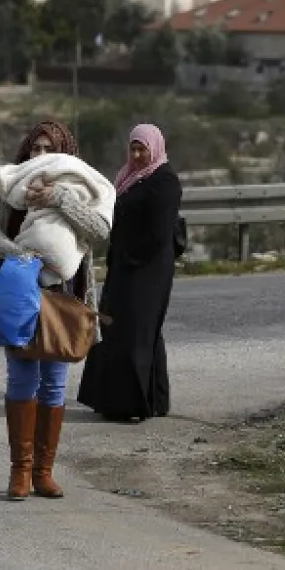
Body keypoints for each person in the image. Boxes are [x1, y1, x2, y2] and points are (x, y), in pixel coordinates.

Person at [0, 120, 111, 501]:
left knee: (54, 382)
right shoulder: (11, 183)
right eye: (35, 148)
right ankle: (19, 471)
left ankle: (43, 473)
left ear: (64, 151)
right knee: (21, 379)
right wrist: (18, 252)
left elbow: (99, 231)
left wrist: (59, 200)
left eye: (48, 148)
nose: (40, 156)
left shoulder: (80, 186)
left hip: (64, 297)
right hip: (20, 293)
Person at [76, 124, 183, 423]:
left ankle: (130, 405)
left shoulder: (165, 182)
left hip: (147, 267)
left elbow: (158, 233)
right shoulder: (128, 177)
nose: (136, 155)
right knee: (127, 330)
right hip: (125, 264)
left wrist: (130, 256)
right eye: (133, 148)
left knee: (136, 331)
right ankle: (152, 400)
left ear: (155, 149)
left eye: (142, 149)